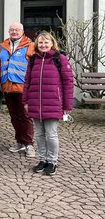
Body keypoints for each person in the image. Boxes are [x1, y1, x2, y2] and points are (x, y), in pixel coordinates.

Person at [22, 31, 73, 175]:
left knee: (51, 134)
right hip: (35, 103)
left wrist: (67, 105)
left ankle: (52, 161)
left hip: (53, 103)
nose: (43, 45)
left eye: (46, 42)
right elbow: (27, 82)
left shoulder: (60, 59)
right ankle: (43, 159)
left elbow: (68, 82)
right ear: (37, 44)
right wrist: (25, 101)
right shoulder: (33, 60)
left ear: (52, 44)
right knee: (39, 135)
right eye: (40, 42)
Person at [0, 22, 36, 157]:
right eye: (12, 30)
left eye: (17, 30)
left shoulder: (30, 45)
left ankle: (28, 144)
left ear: (22, 31)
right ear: (9, 31)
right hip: (7, 87)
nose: (14, 32)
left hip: (23, 88)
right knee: (14, 116)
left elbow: (34, 68)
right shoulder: (4, 46)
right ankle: (20, 141)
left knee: (25, 116)